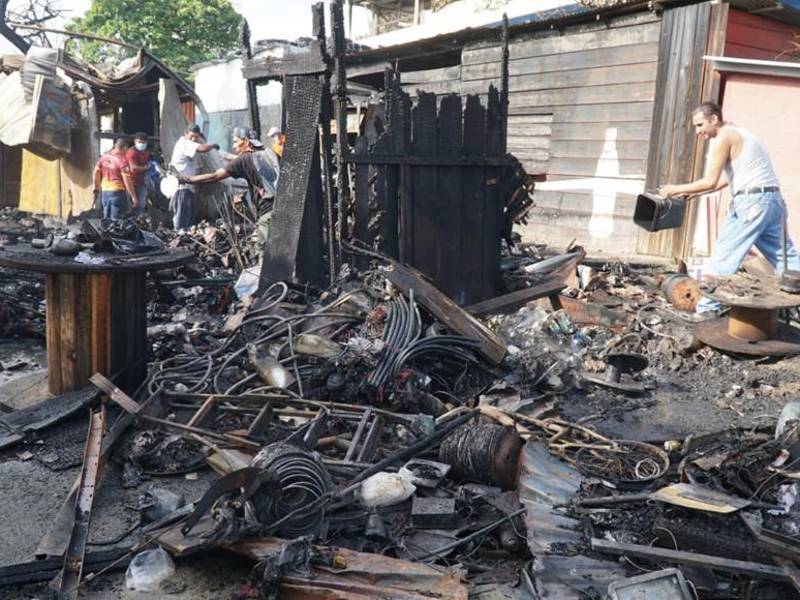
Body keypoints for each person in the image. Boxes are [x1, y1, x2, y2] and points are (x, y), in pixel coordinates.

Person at [659, 101, 800, 312]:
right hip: (772, 202)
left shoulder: (724, 137)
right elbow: (724, 180)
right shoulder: (743, 134)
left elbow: (710, 180)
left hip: (751, 204)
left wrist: (673, 188)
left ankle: (707, 310)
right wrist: (691, 192)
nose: (698, 132)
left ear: (714, 119)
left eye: (700, 125)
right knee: (786, 258)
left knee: (724, 256)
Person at [182, 127, 280, 249]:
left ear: (247, 142)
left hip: (268, 211)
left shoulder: (244, 159)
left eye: (235, 141)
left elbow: (215, 176)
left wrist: (186, 179)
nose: (234, 146)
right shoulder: (271, 153)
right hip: (286, 207)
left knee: (262, 251)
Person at [169, 124, 219, 229]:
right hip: (182, 188)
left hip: (190, 188)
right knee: (181, 219)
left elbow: (197, 167)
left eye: (196, 137)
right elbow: (202, 148)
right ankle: (178, 236)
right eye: (191, 136)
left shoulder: (191, 149)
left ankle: (182, 236)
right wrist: (213, 145)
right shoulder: (184, 143)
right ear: (185, 133)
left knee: (187, 217)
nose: (193, 139)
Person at [93, 138, 138, 219]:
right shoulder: (122, 160)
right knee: (116, 222)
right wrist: (133, 196)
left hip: (105, 193)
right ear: (124, 148)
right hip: (117, 193)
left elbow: (96, 172)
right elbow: (127, 180)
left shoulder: (103, 157)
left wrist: (96, 188)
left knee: (106, 219)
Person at [126, 132, 151, 216]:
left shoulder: (146, 152)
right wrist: (146, 168)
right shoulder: (132, 152)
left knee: (141, 207)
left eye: (143, 142)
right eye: (139, 142)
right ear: (135, 142)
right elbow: (133, 168)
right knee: (130, 207)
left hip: (142, 183)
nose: (141, 144)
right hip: (131, 183)